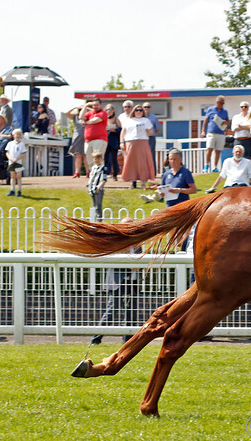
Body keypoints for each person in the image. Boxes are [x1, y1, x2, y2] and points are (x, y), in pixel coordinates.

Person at [90, 217, 142, 345]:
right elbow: (113, 258)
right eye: (126, 225)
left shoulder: (138, 241)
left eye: (131, 225)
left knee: (132, 310)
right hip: (117, 280)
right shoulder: (115, 240)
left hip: (133, 280)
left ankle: (127, 340)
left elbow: (140, 260)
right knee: (112, 310)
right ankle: (96, 338)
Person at [119, 104, 155, 190]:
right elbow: (123, 132)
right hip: (130, 142)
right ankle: (133, 182)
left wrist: (147, 131)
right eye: (137, 110)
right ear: (133, 111)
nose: (138, 112)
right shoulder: (128, 120)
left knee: (143, 163)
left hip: (142, 142)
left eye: (140, 110)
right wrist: (121, 142)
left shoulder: (146, 121)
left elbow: (151, 133)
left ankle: (143, 182)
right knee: (131, 162)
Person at [201, 95, 229, 172]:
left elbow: (227, 122)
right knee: (209, 149)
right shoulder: (210, 109)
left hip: (221, 133)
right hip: (211, 132)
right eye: (220, 103)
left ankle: (215, 167)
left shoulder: (225, 111)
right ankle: (206, 165)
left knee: (218, 150)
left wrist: (225, 122)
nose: (222, 105)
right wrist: (203, 131)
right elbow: (206, 120)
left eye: (223, 103)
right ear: (217, 102)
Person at [83, 98, 109, 174]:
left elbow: (96, 120)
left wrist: (86, 122)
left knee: (98, 159)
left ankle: (100, 177)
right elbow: (81, 117)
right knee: (90, 160)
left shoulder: (103, 113)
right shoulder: (90, 113)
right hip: (88, 140)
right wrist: (85, 106)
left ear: (101, 105)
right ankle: (93, 177)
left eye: (97, 105)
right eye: (94, 105)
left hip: (99, 140)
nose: (95, 106)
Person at [5, 128, 26, 197]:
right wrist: (10, 158)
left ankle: (19, 190)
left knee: (19, 176)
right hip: (11, 162)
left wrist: (17, 159)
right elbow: (7, 152)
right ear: (13, 135)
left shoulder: (22, 144)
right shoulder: (10, 143)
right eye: (17, 134)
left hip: (18, 162)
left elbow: (23, 154)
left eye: (19, 134)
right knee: (12, 176)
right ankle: (12, 189)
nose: (18, 136)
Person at [142, 102, 162, 175]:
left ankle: (153, 173)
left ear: (150, 108)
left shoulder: (154, 117)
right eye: (145, 107)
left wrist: (153, 134)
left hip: (151, 138)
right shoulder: (140, 117)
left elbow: (157, 128)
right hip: (141, 139)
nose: (146, 108)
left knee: (151, 155)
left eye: (148, 107)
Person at [67, 105, 87, 178]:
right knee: (78, 155)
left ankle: (88, 172)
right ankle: (77, 172)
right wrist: (74, 107)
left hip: (86, 136)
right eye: (80, 109)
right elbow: (67, 114)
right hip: (77, 137)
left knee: (86, 155)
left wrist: (86, 107)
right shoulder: (75, 116)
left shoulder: (88, 116)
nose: (81, 110)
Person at [88, 151, 108, 221]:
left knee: (98, 205)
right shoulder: (93, 168)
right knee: (94, 205)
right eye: (95, 158)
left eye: (98, 158)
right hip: (92, 188)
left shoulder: (103, 168)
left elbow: (104, 179)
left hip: (98, 189)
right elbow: (91, 178)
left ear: (101, 159)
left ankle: (99, 220)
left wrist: (99, 187)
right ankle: (94, 219)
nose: (97, 160)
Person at [104, 104, 121, 181]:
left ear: (113, 110)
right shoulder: (104, 119)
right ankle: (104, 174)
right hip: (105, 140)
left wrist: (115, 129)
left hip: (113, 140)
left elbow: (120, 129)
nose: (108, 111)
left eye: (110, 109)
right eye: (107, 109)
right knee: (105, 158)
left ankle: (115, 174)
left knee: (114, 158)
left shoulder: (116, 119)